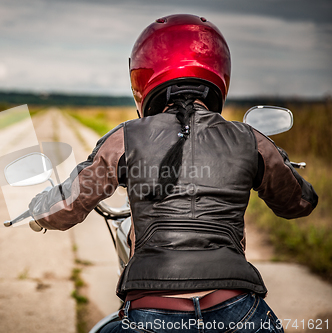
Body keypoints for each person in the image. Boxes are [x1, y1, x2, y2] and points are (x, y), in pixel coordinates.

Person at [28, 14, 318, 332]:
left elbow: (67, 204)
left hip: (151, 312)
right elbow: (299, 202)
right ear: (219, 69)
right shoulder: (250, 139)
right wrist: (278, 163)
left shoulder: (126, 137)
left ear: (143, 73)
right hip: (240, 311)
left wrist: (37, 210)